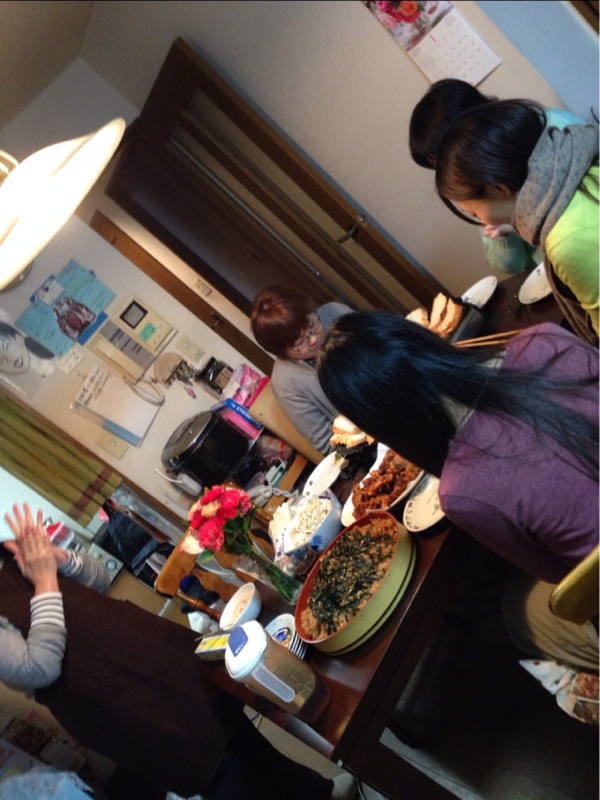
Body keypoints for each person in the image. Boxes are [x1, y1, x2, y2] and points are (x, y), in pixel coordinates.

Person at [0, 504, 357, 800]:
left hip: (151, 653)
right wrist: (45, 580)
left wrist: (59, 559)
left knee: (238, 735)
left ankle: (318, 792)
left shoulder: (8, 553)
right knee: (221, 774)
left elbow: (98, 580)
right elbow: (38, 668)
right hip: (111, 700)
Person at [317, 312, 599, 671]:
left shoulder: (461, 491)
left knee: (517, 610)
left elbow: (557, 572)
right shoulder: (544, 338)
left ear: (379, 419)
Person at [434, 99, 599, 344]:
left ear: (499, 189)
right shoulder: (577, 162)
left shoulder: (566, 241)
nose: (481, 221)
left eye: (475, 214)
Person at [409, 79, 585, 275]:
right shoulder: (480, 189)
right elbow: (510, 265)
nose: (450, 168)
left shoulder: (556, 129)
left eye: (451, 152)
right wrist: (503, 230)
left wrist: (519, 222)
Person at [250, 286, 352, 454]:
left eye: (312, 325)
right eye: (299, 344)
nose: (313, 339)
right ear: (283, 353)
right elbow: (328, 443)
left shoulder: (335, 313)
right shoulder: (286, 382)